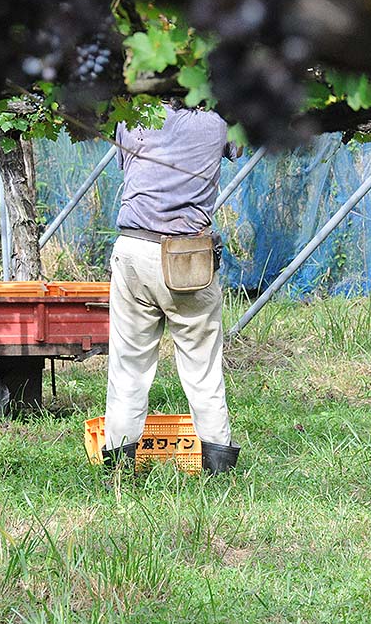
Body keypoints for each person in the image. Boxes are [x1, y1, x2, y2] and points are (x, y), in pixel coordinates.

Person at [102, 100, 241, 475]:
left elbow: (127, 165)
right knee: (203, 369)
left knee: (128, 367)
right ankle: (218, 470)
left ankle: (117, 470)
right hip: (188, 257)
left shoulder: (134, 114)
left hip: (134, 247)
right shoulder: (218, 118)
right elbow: (236, 147)